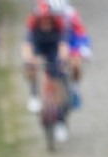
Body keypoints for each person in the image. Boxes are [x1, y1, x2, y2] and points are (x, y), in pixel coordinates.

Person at [21, 0, 71, 140]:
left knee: (57, 80)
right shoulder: (32, 25)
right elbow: (26, 46)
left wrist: (62, 61)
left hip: (54, 49)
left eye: (48, 19)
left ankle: (60, 120)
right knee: (30, 67)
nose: (45, 22)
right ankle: (34, 94)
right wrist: (29, 60)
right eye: (42, 19)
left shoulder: (59, 24)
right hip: (39, 47)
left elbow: (63, 46)